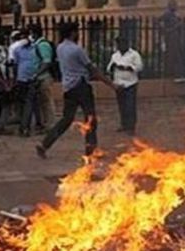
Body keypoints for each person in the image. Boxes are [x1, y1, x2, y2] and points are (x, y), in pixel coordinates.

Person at [36, 22, 119, 159]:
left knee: (66, 119)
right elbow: (92, 70)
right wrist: (112, 85)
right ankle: (90, 150)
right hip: (81, 87)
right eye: (77, 31)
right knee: (90, 118)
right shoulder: (77, 50)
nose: (79, 34)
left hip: (68, 87)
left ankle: (45, 144)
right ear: (73, 33)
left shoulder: (60, 48)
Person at [107, 36, 143, 136]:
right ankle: (124, 124)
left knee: (130, 106)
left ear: (127, 44)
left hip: (130, 83)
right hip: (118, 84)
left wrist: (127, 67)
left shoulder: (134, 54)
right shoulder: (115, 55)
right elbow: (109, 67)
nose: (121, 46)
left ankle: (131, 127)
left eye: (123, 43)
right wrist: (113, 67)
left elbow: (139, 67)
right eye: (119, 44)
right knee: (122, 105)